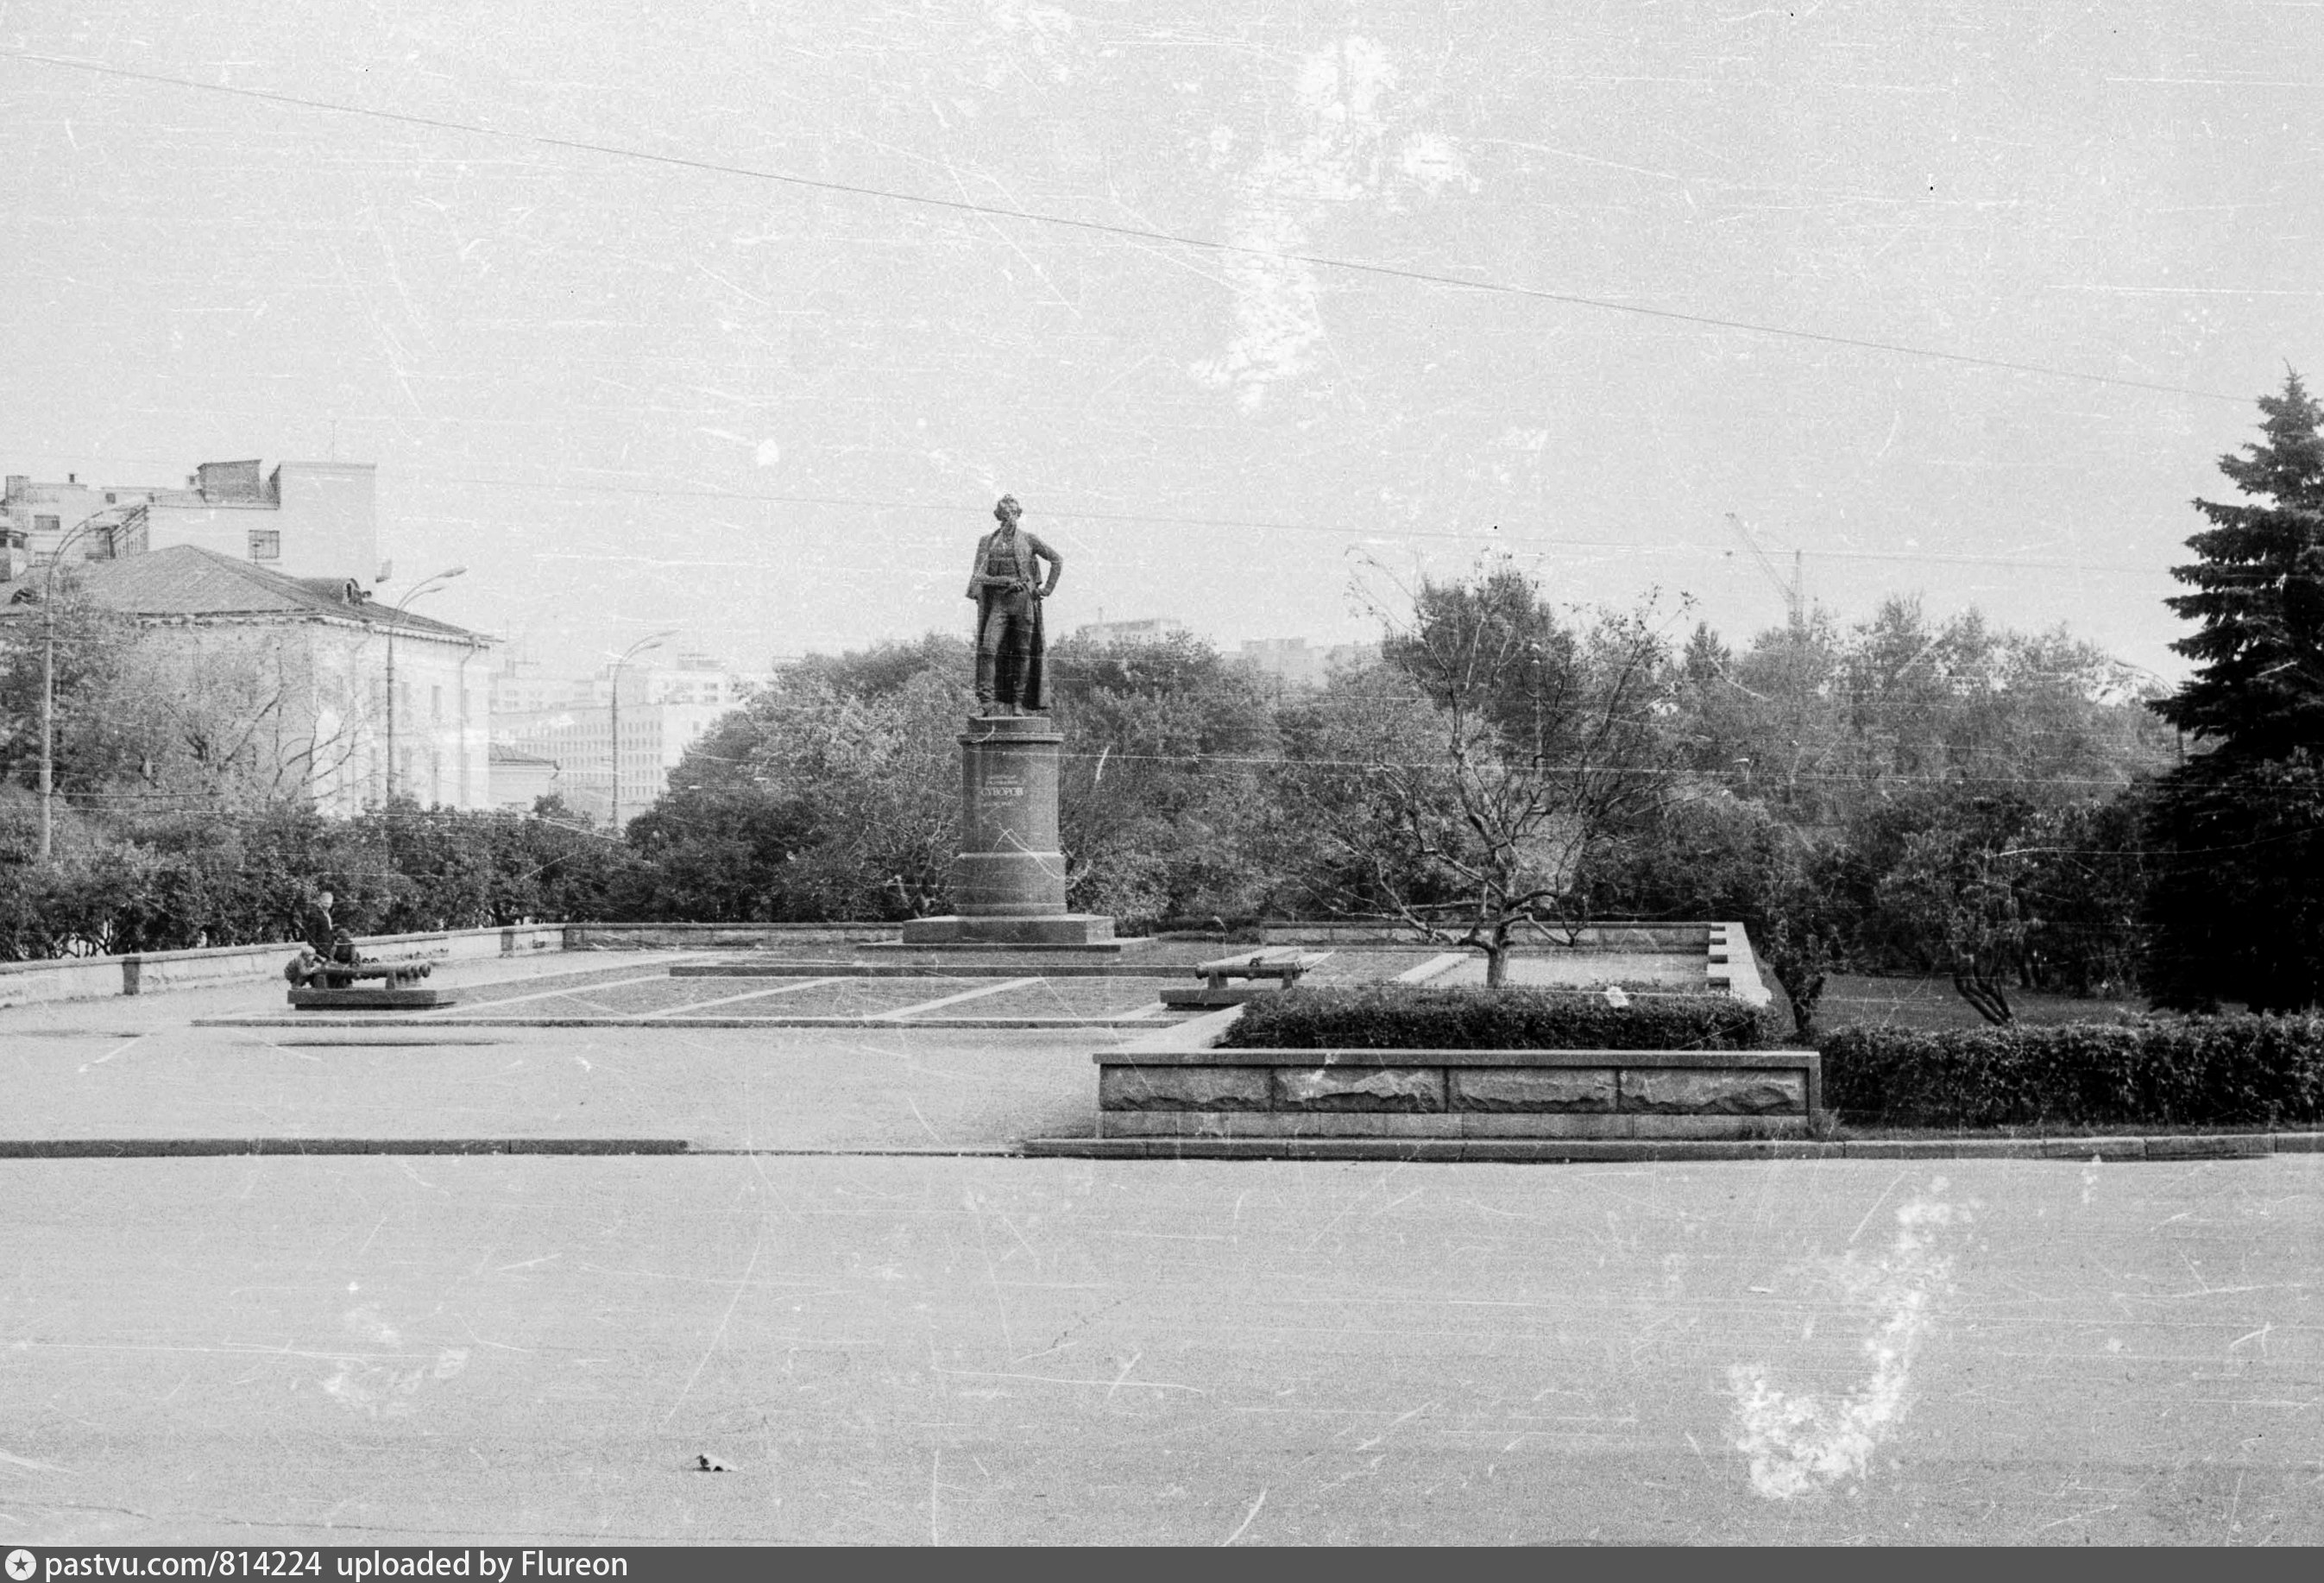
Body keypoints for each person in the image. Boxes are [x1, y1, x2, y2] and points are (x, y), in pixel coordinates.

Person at [964, 495, 1063, 715]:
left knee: (1022, 652)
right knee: (988, 649)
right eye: (1005, 513)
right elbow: (978, 577)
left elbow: (1057, 560)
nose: (1010, 517)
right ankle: (986, 704)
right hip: (999, 602)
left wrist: (1046, 589)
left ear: (1019, 515)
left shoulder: (1029, 539)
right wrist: (1005, 581)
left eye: (1014, 513)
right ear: (999, 516)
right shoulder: (987, 542)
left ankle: (1018, 703)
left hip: (1023, 602)